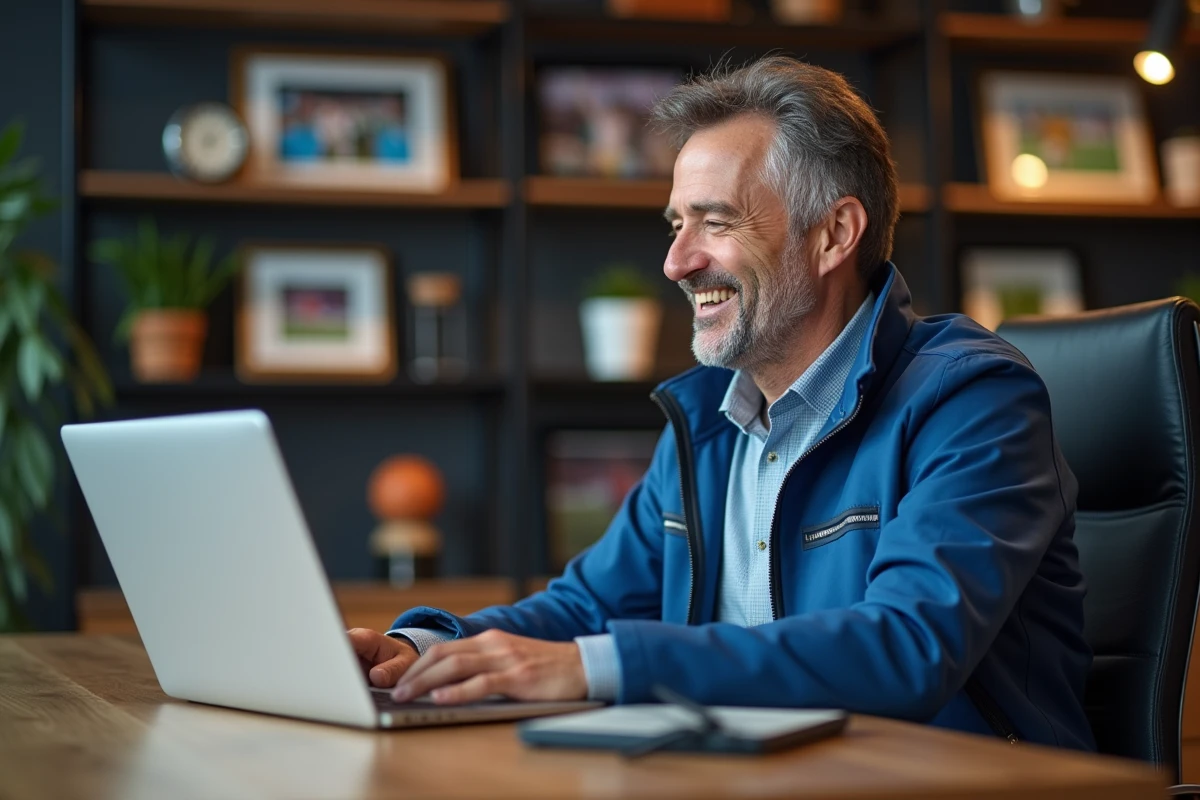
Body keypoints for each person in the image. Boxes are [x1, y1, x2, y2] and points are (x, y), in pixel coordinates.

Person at [348, 56, 1094, 749]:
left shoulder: (971, 398)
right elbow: (587, 608)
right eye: (678, 225)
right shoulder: (705, 422)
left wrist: (601, 668)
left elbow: (905, 646)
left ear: (834, 234)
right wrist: (421, 651)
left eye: (716, 221)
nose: (677, 262)